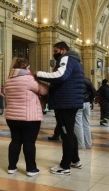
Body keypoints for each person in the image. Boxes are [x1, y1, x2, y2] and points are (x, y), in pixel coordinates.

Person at [35, 41, 84, 175]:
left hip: (65, 102)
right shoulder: (76, 61)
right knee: (69, 132)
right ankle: (75, 160)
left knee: (66, 134)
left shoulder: (67, 58)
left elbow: (60, 76)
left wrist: (39, 74)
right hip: (70, 101)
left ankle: (64, 166)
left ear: (62, 50)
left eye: (55, 51)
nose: (54, 54)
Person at [5, 58, 48, 176]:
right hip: (29, 117)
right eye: (28, 67)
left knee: (15, 141)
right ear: (25, 67)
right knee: (29, 142)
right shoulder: (29, 79)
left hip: (12, 117)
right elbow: (44, 91)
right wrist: (38, 78)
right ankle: (31, 169)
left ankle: (11, 167)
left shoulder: (8, 80)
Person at [74, 76, 96, 150]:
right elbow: (94, 91)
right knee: (86, 123)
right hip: (87, 103)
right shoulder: (87, 80)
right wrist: (90, 99)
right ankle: (88, 144)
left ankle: (81, 145)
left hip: (78, 102)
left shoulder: (74, 79)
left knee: (78, 124)